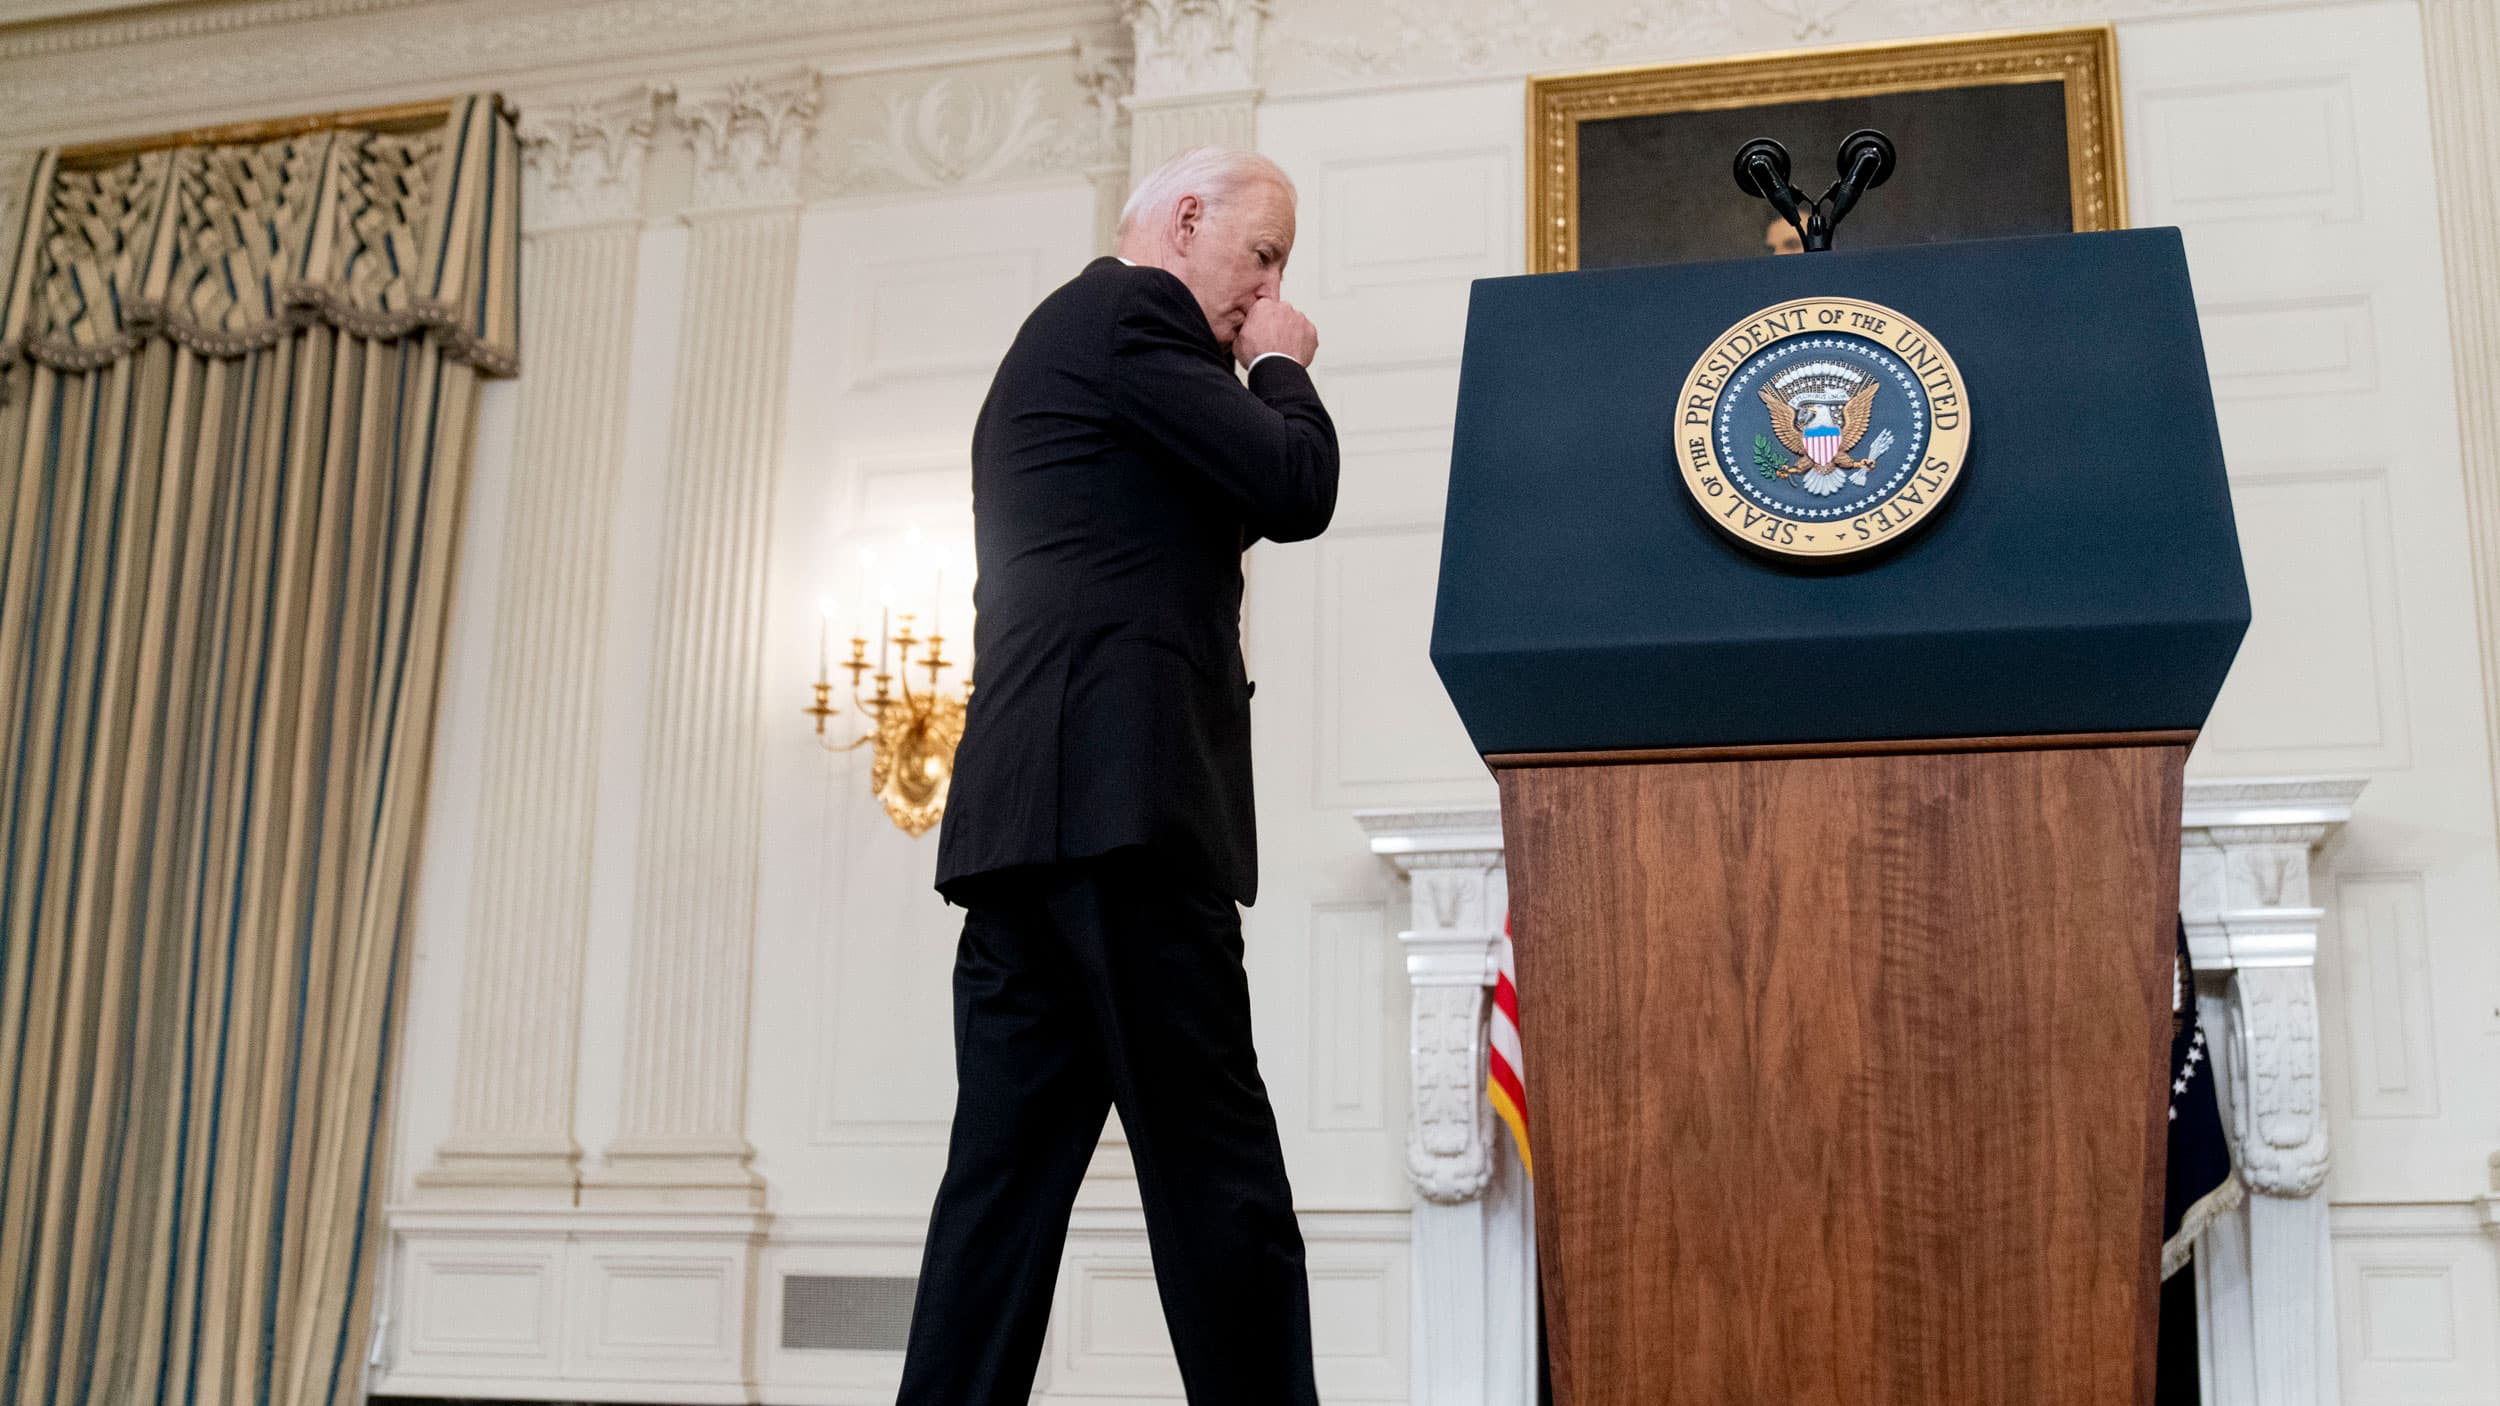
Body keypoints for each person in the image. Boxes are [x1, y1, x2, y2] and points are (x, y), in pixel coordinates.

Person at [896, 146, 1338, 1406]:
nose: (1263, 292)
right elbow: (1294, 485)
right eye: (1261, 257)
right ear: (1187, 219)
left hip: (1023, 834)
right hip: (1125, 813)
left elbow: (1198, 507)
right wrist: (1285, 364)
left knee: (999, 1197)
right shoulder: (1130, 309)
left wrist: (1242, 383)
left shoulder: (1085, 351)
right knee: (1219, 1175)